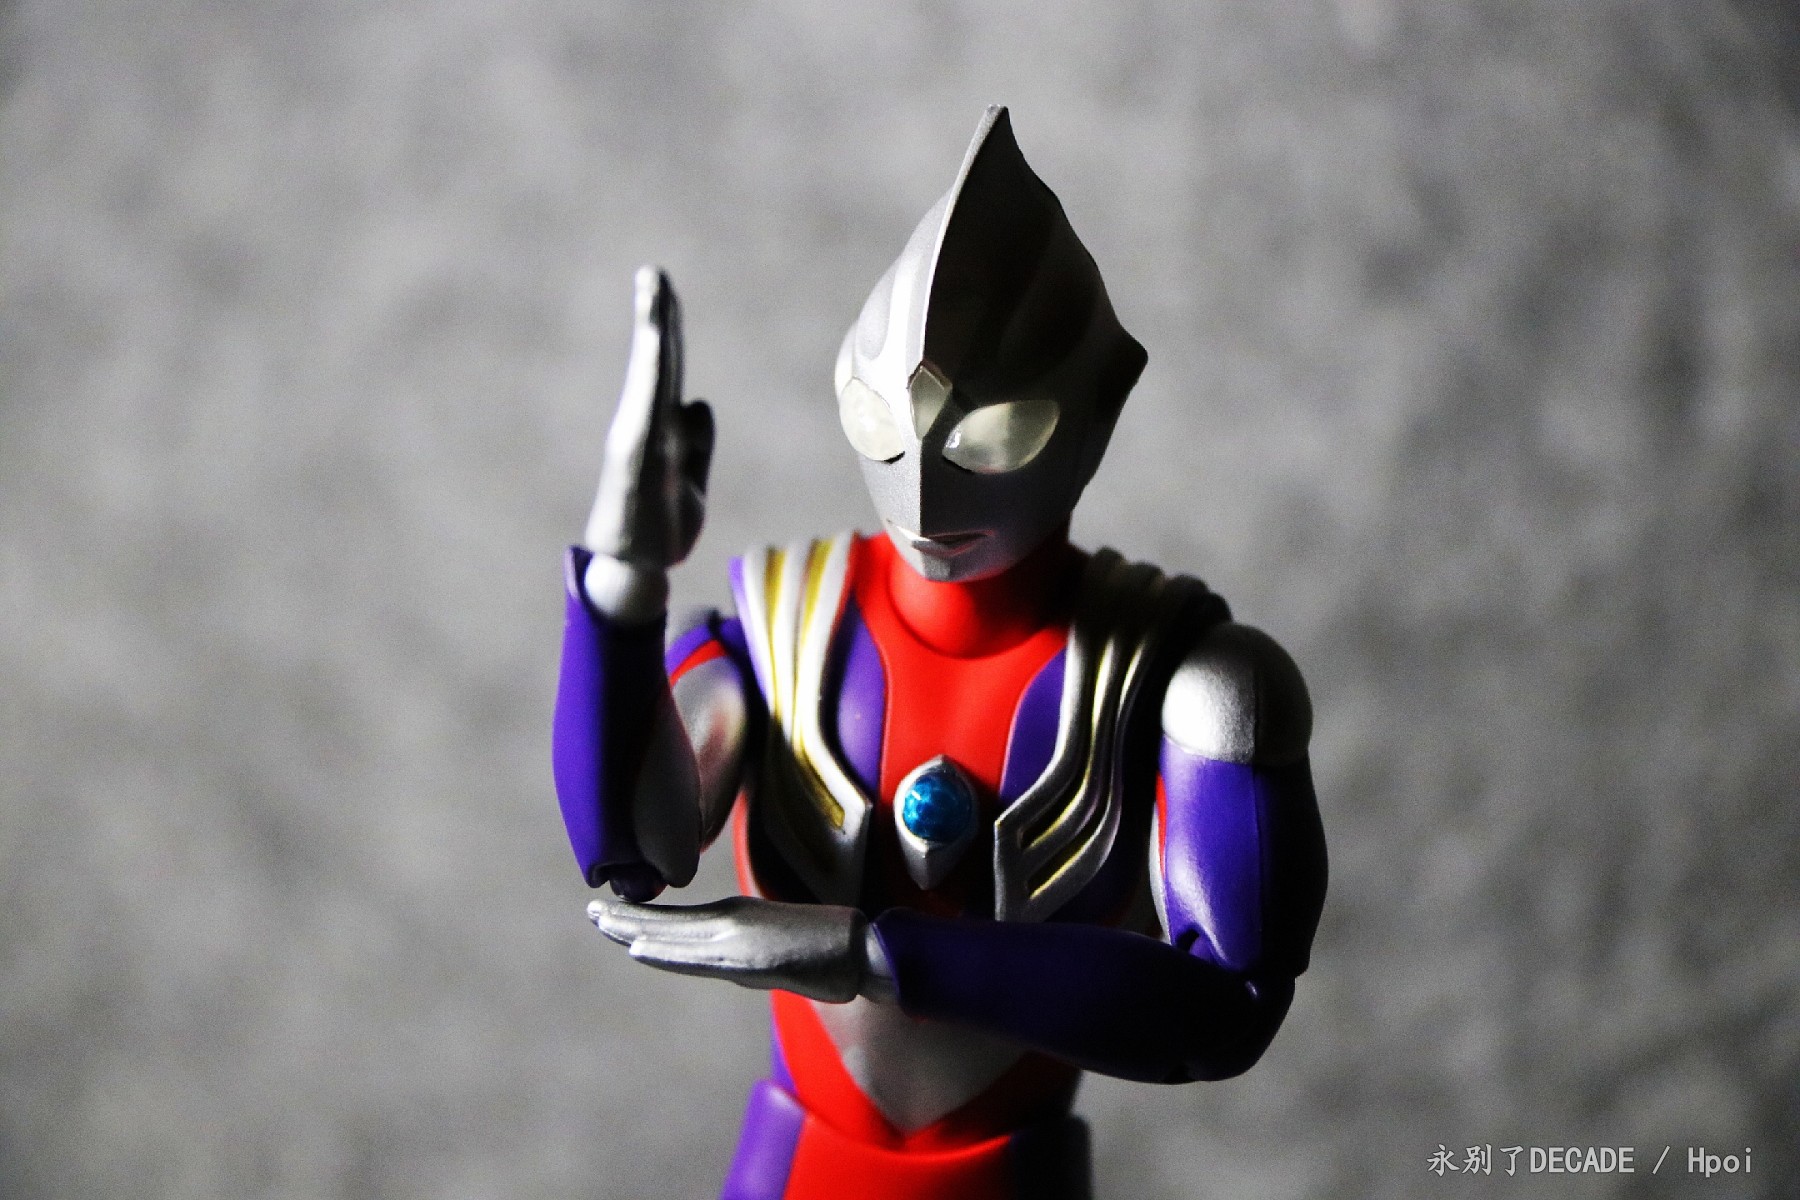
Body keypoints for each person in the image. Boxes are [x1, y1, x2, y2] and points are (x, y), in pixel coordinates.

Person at [552, 106, 1327, 1200]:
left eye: (991, 437)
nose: (924, 491)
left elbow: (1227, 1008)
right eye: (880, 420)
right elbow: (636, 851)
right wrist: (621, 589)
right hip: (792, 1164)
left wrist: (867, 954)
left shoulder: (1192, 685)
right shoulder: (780, 631)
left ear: (1099, 406)